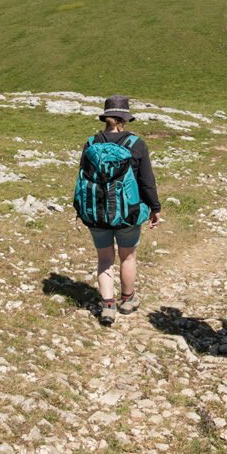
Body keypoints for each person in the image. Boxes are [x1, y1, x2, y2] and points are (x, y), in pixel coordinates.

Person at [76, 95, 162, 326]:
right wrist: (155, 209)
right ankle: (127, 299)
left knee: (104, 258)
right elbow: (147, 181)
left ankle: (107, 306)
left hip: (96, 212)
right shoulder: (136, 143)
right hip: (128, 212)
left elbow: (83, 177)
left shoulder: (91, 143)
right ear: (125, 119)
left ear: (105, 118)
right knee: (128, 255)